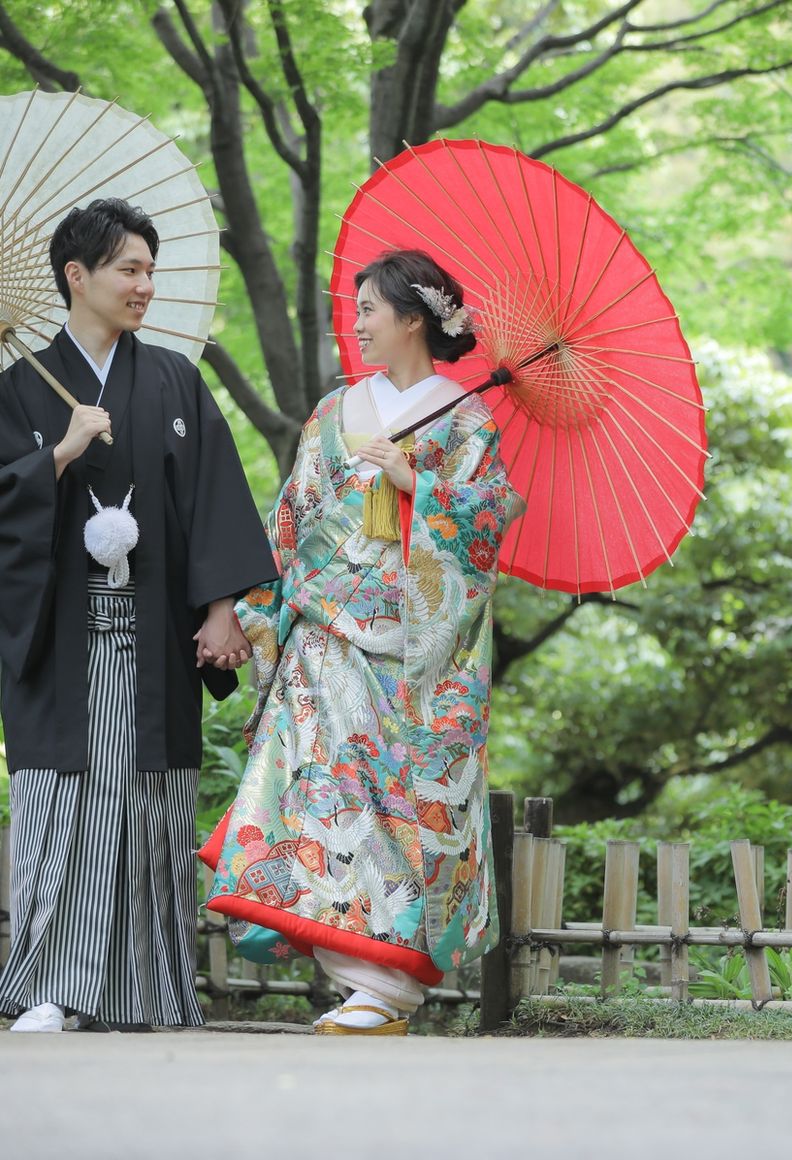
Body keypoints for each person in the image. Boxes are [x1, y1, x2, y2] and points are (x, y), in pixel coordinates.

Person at [201, 249, 523, 1035]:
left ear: (413, 319)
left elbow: (489, 525)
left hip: (416, 652)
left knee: (399, 808)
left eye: (370, 308)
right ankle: (368, 986)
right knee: (318, 794)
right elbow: (292, 519)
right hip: (323, 638)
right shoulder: (334, 411)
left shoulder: (467, 418)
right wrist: (245, 613)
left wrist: (419, 486)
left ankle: (387, 989)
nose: (358, 322)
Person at [0, 198, 275, 1032]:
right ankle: (51, 989)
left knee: (150, 804)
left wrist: (221, 610)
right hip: (59, 635)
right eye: (129, 268)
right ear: (76, 276)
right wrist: (58, 454)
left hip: (153, 632)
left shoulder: (173, 380)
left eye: (151, 269)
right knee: (63, 802)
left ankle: (145, 991)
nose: (145, 284)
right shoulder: (18, 388)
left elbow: (213, 500)